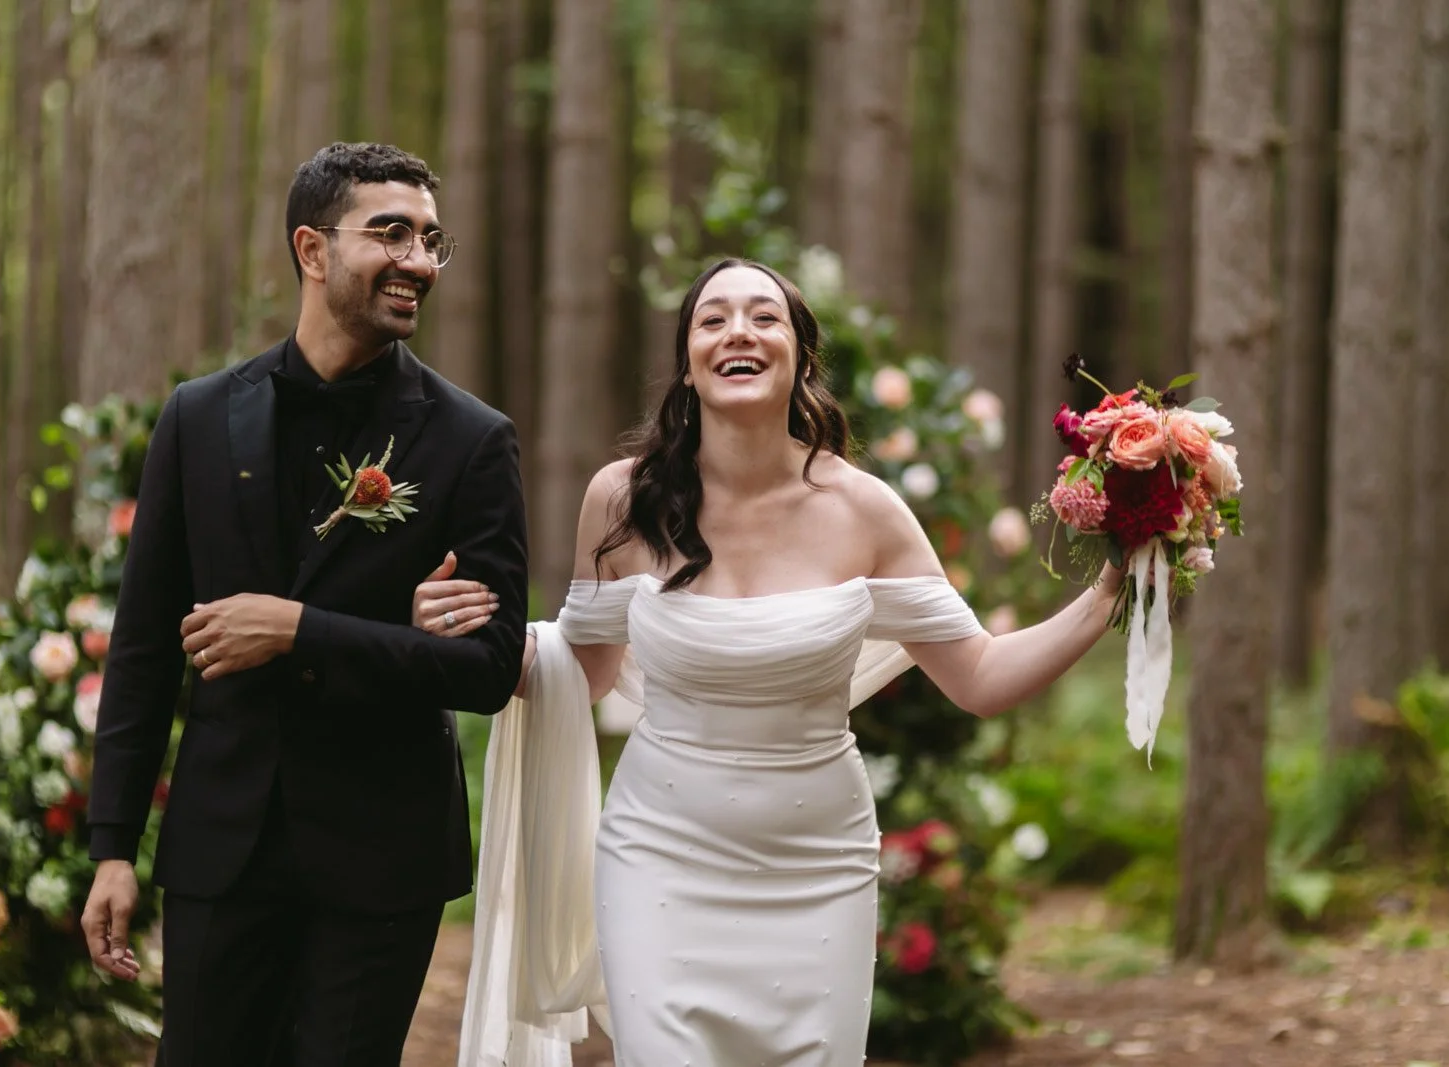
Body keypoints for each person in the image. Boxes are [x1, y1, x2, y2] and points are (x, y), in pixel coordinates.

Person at [413, 257, 1120, 1065]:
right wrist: (471, 635)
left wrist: (1107, 591)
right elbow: (584, 669)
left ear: (799, 356)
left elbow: (982, 676)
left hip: (817, 868)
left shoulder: (865, 508)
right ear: (687, 361)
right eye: (712, 319)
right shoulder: (622, 499)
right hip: (659, 859)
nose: (737, 331)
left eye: (763, 316)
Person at [80, 142, 529, 1067]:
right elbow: (140, 650)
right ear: (312, 249)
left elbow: (486, 671)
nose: (418, 259)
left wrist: (298, 630)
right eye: (391, 232)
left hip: (383, 856)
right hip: (221, 849)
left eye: (432, 240)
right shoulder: (197, 417)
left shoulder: (472, 441)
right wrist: (113, 843)